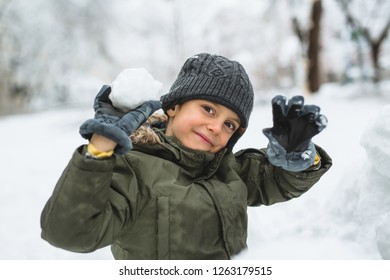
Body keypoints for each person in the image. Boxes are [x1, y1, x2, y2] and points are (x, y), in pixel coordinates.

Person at [40, 53, 332, 260]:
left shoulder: (229, 169)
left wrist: (301, 156)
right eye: (208, 109)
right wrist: (101, 146)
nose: (216, 127)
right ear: (174, 107)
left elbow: (276, 180)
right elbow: (70, 233)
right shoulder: (134, 170)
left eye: (230, 124)